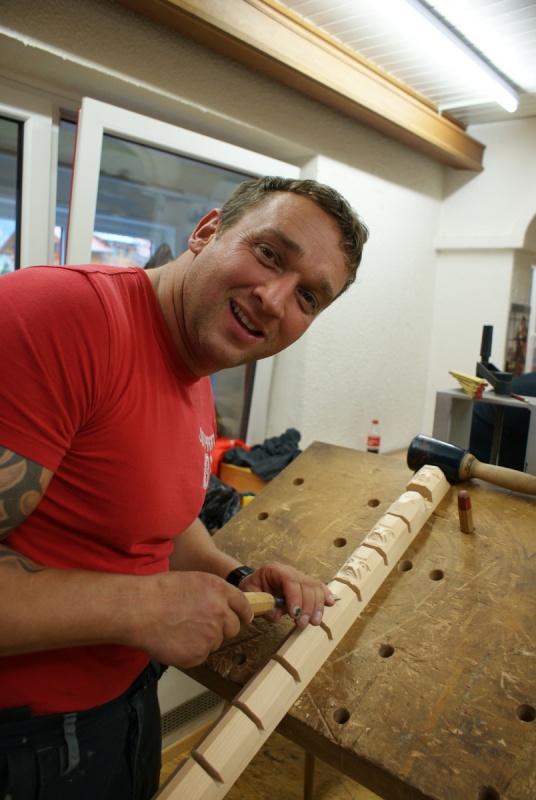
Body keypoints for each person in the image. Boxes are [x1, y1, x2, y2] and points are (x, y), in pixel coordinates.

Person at [0, 176, 369, 800]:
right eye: (269, 254)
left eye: (308, 297)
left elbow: (159, 523)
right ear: (206, 232)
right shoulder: (57, 316)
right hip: (21, 742)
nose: (274, 298)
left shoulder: (196, 367)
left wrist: (233, 578)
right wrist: (141, 608)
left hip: (121, 712)